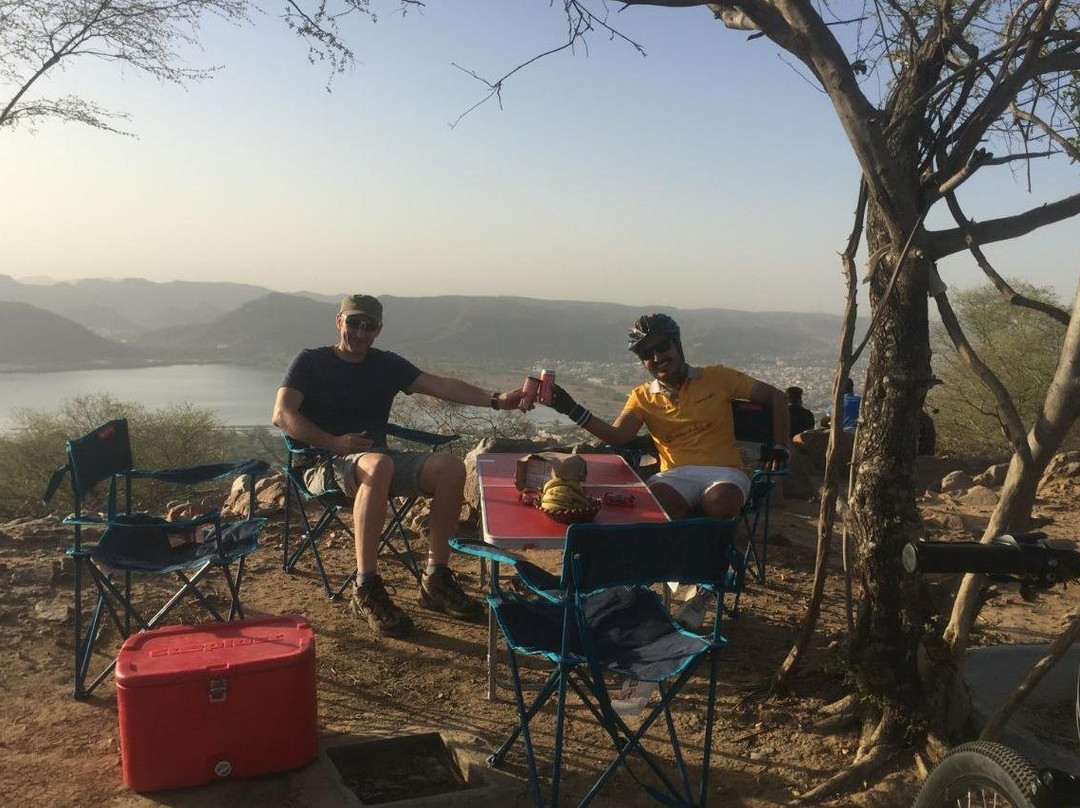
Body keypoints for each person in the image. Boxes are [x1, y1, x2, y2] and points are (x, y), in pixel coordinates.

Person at [272, 294, 525, 637]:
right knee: (379, 465)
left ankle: (436, 577)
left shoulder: (385, 365)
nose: (361, 332)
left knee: (450, 468)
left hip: (378, 460)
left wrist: (496, 400)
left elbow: (439, 385)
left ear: (379, 329)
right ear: (339, 321)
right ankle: (365, 587)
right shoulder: (311, 362)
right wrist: (334, 442)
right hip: (322, 462)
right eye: (354, 323)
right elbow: (282, 415)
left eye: (369, 326)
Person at [544, 313, 790, 521]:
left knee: (720, 503)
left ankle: (718, 562)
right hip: (675, 475)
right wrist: (571, 408)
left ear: (677, 345)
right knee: (657, 507)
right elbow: (618, 435)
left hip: (725, 472)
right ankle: (676, 569)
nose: (657, 357)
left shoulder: (718, 377)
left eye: (662, 347)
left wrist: (780, 447)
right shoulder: (642, 397)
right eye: (647, 354)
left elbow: (776, 397)